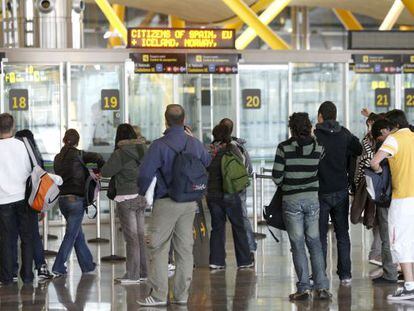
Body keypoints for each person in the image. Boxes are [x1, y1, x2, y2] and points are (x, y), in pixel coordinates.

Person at [137, 104, 210, 307]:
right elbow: (207, 160)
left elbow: (145, 174)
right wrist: (194, 138)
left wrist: (143, 192)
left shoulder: (159, 145)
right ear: (184, 120)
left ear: (166, 120)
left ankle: (159, 295)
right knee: (185, 250)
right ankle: (181, 295)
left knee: (159, 247)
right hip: (189, 202)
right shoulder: (194, 143)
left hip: (166, 202)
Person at [273, 112, 331, 300]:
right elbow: (317, 168)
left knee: (297, 245)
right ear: (309, 126)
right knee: (314, 242)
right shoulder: (319, 146)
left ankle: (304, 287)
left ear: (291, 128)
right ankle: (322, 287)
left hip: (291, 200)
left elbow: (277, 177)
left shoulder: (283, 148)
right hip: (312, 199)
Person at [314, 101, 362, 285]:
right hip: (341, 190)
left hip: (320, 191)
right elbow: (357, 149)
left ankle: (320, 274)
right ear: (334, 116)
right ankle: (345, 275)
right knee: (342, 234)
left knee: (320, 235)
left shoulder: (315, 135)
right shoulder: (344, 134)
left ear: (320, 116)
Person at [371, 110, 414, 300]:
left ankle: (410, 287)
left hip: (403, 198)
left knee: (400, 241)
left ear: (394, 126)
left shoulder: (394, 139)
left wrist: (380, 171)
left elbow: (374, 162)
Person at [52, 129, 104, 276]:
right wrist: (100, 170)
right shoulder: (80, 154)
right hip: (76, 200)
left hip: (62, 200)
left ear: (64, 140)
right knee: (71, 234)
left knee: (77, 233)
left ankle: (87, 265)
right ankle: (58, 266)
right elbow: (98, 157)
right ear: (77, 141)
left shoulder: (57, 158)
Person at [101, 123, 148, 284]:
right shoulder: (143, 149)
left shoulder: (119, 153)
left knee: (132, 238)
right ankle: (144, 272)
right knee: (140, 236)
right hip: (141, 195)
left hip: (126, 198)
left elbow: (106, 172)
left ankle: (132, 275)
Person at [207, 123, 253, 271]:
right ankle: (244, 260)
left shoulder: (209, 150)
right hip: (231, 193)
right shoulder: (233, 148)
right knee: (238, 226)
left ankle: (216, 261)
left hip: (213, 194)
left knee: (217, 228)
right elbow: (242, 167)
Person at [0, 113, 36, 285]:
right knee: (27, 238)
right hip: (23, 198)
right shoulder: (21, 145)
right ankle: (27, 276)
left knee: (7, 240)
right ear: (13, 126)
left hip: (3, 200)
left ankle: (7, 277)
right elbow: (31, 169)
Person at [14, 129, 54, 280]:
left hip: (11, 199)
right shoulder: (34, 153)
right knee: (32, 235)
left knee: (10, 236)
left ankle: (11, 272)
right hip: (29, 200)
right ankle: (40, 267)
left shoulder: (15, 150)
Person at [219, 118, 256, 257]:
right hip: (238, 188)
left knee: (218, 223)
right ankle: (250, 248)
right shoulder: (240, 147)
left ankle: (218, 255)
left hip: (220, 188)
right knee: (242, 218)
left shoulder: (215, 147)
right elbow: (250, 169)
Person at [369, 118, 398, 284]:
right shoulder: (408, 139)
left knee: (386, 236)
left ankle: (390, 273)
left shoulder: (388, 144)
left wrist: (378, 170)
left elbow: (375, 164)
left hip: (387, 196)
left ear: (383, 132)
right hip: (404, 193)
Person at [354, 113, 383, 266]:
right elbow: (365, 162)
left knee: (378, 219)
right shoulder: (367, 141)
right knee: (377, 218)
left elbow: (364, 162)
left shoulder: (371, 140)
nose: (369, 128)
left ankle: (377, 253)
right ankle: (376, 253)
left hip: (373, 185)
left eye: (371, 125)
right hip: (374, 186)